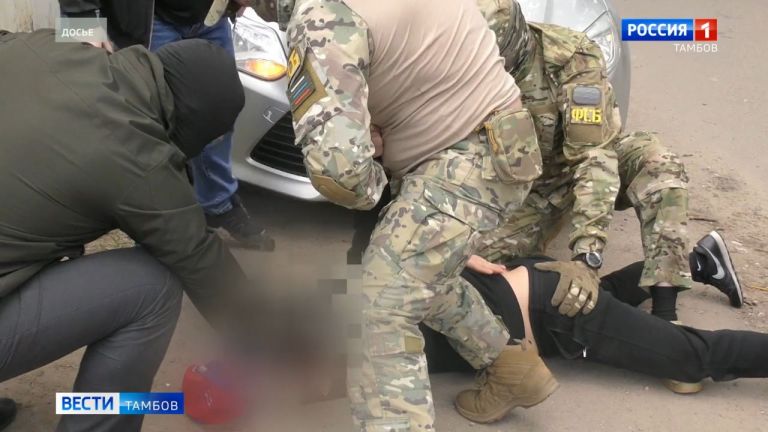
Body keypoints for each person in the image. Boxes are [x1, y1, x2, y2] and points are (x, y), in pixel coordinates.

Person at [249, 0, 570, 430]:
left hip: (463, 161)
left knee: (377, 309)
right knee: (414, 275)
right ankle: (513, 370)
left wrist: (375, 173)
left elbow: (339, 172)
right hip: (501, 140)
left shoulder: (322, 15)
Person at [0, 30, 249, 431]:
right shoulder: (139, 155)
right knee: (154, 286)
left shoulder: (42, 43)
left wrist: (81, 29)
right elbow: (200, 260)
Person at [472, 0, 743, 327]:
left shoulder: (569, 57)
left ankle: (666, 314)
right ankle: (699, 262)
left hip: (581, 167)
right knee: (475, 278)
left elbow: (594, 157)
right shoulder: (454, 61)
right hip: (523, 190)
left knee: (658, 165)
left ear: (516, 39)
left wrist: (586, 258)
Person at [421, 251, 768, 424]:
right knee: (606, 293)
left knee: (691, 358)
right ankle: (698, 262)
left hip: (554, 309)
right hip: (532, 289)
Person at [58, 0, 276, 250]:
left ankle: (217, 205)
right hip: (147, 21)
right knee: (147, 128)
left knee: (219, 109)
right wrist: (82, 22)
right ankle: (153, 227)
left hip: (210, 17)